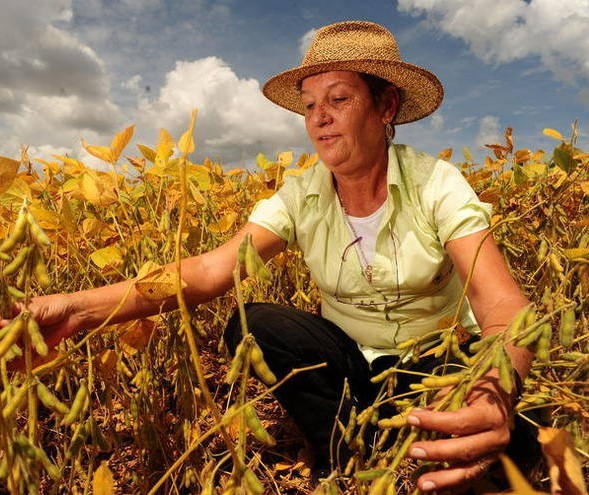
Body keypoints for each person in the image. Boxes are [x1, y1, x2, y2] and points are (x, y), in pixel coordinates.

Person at [1, 21, 534, 493]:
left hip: (436, 363)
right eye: (309, 105)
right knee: (258, 323)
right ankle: (343, 452)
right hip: (351, 365)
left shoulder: (436, 184)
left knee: (515, 445)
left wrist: (494, 389)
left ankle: (408, 432)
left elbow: (504, 307)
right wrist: (75, 310)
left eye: (340, 99)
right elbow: (211, 271)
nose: (320, 119)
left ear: (386, 106)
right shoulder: (301, 194)